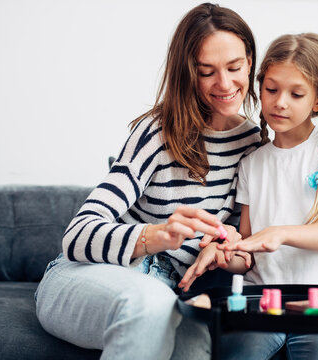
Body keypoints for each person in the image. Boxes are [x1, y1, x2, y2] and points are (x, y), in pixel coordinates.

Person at [34, 3, 260, 360]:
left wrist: (225, 246)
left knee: (192, 336)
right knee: (153, 303)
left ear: (250, 61)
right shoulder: (157, 133)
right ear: (188, 73)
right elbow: (76, 236)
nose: (225, 83)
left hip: (178, 291)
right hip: (98, 275)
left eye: (234, 67)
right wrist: (154, 236)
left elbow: (240, 244)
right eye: (206, 72)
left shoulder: (253, 144)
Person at [180, 33, 318, 360]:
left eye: (296, 93)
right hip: (261, 304)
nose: (280, 102)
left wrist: (279, 233)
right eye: (271, 90)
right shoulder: (251, 164)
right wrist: (226, 251)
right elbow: (249, 258)